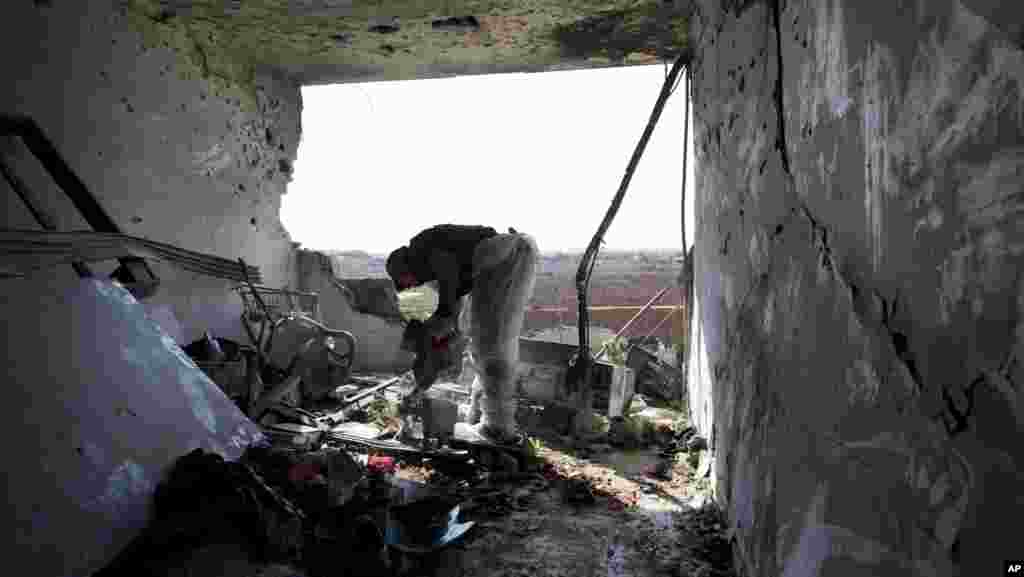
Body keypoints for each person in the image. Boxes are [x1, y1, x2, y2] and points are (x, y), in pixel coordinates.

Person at [386, 224, 538, 445]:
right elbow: (445, 306)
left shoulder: (423, 249)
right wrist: (439, 338)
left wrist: (443, 325)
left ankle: (500, 429)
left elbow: (449, 288)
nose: (412, 285)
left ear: (406, 268)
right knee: (483, 343)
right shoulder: (435, 271)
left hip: (504, 259)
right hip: (496, 262)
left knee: (493, 345)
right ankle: (492, 423)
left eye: (407, 281)